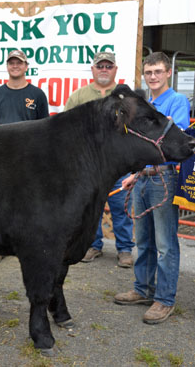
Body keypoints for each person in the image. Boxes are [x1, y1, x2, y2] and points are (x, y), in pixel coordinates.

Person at [114, 52, 190, 324]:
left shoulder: (177, 101)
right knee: (144, 238)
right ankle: (143, 289)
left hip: (163, 176)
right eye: (149, 73)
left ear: (168, 72)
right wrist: (135, 172)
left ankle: (165, 299)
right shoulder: (144, 103)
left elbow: (175, 137)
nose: (153, 77)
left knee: (165, 243)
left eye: (158, 71)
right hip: (143, 175)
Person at [64, 51, 135, 268]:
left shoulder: (126, 96)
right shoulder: (78, 96)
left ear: (115, 69)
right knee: (89, 208)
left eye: (108, 66)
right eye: (100, 66)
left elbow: (135, 130)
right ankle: (92, 245)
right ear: (93, 69)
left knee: (121, 207)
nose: (104, 70)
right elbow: (67, 127)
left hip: (118, 164)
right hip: (88, 165)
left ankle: (124, 249)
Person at [0, 49, 50, 264]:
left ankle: (30, 244)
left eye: (19, 63)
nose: (15, 66)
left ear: (26, 66)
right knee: (0, 202)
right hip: (2, 158)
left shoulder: (37, 94)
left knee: (29, 202)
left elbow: (45, 128)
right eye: (11, 63)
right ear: (7, 66)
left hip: (29, 159)